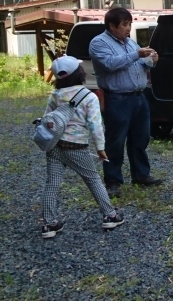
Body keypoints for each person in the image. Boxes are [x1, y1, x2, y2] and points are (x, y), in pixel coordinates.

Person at [40, 56, 124, 238]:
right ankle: (110, 215)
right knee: (93, 179)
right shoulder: (89, 96)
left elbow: (47, 119)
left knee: (52, 183)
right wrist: (100, 148)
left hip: (54, 145)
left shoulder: (55, 95)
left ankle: (49, 223)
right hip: (76, 146)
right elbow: (95, 125)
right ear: (79, 73)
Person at [89, 7, 162, 198]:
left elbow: (140, 64)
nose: (128, 28)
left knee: (140, 138)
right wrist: (137, 55)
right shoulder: (99, 43)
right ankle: (112, 181)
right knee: (115, 140)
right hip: (117, 98)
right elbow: (110, 64)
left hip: (139, 96)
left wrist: (151, 60)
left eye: (130, 24)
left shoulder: (130, 43)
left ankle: (141, 175)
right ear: (112, 26)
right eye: (124, 24)